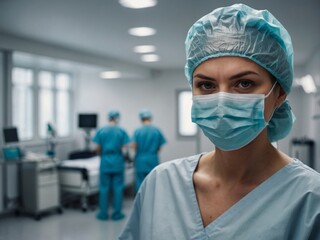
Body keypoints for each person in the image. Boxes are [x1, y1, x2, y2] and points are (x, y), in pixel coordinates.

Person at [118, 4, 320, 239]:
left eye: (244, 83)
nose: (222, 101)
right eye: (206, 85)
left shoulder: (310, 200)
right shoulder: (160, 185)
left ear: (279, 95)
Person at [93, 110, 129, 221]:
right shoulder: (121, 131)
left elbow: (97, 149)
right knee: (118, 188)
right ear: (117, 118)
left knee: (104, 188)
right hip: (118, 162)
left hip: (105, 163)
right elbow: (124, 149)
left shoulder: (101, 131)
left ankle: (103, 214)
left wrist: (103, 155)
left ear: (108, 118)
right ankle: (117, 214)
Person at [131, 109, 166, 191]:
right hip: (152, 159)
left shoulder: (137, 131)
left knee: (140, 183)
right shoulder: (156, 130)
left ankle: (141, 203)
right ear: (150, 118)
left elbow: (134, 146)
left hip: (140, 160)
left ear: (141, 119)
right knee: (153, 183)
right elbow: (159, 148)